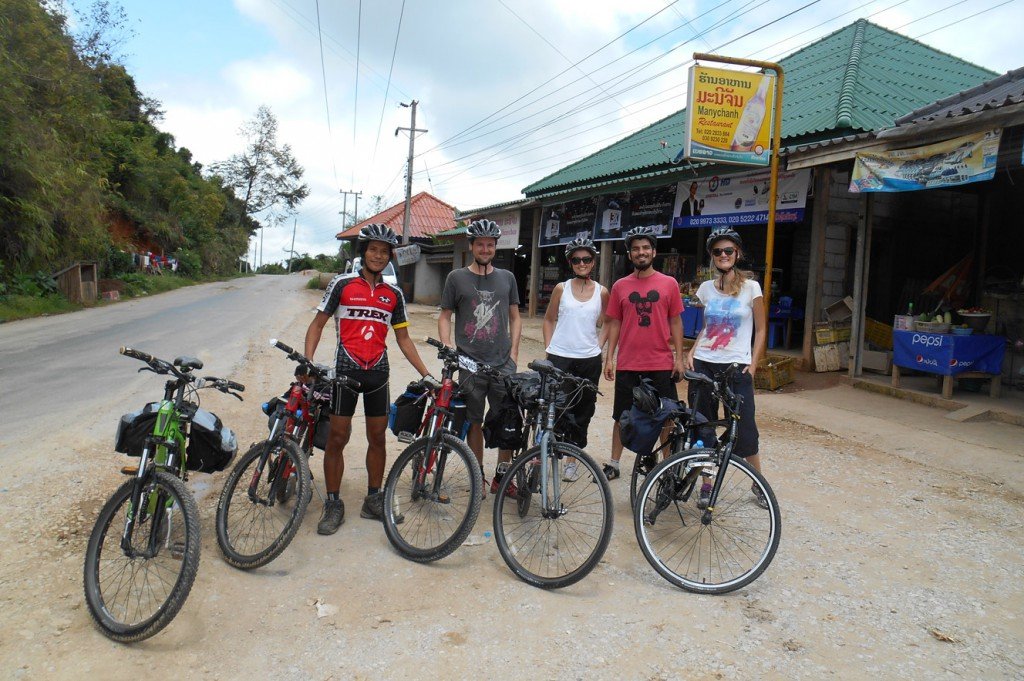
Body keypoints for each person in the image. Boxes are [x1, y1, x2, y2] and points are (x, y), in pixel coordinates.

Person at [305, 224, 431, 535]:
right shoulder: (342, 284)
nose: (378, 255)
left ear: (390, 257)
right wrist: (308, 362)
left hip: (378, 373)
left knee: (377, 438)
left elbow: (403, 339)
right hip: (345, 373)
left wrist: (425, 374)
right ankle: (333, 503)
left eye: (384, 251)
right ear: (364, 253)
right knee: (337, 438)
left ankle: (373, 499)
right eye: (373, 249)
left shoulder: (394, 294)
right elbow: (317, 324)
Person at [683, 226, 768, 509]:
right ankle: (707, 485)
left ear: (737, 253)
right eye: (717, 251)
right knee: (703, 426)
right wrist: (692, 351)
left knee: (744, 429)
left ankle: (758, 483)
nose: (723, 255)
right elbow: (707, 327)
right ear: (712, 256)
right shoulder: (705, 289)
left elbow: (762, 328)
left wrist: (753, 364)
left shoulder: (751, 287)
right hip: (705, 363)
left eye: (728, 250)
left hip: (737, 367)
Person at [438, 219, 522, 494]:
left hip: (502, 362)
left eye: (490, 245)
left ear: (495, 247)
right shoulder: (456, 278)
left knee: (506, 419)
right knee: (473, 420)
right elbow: (445, 316)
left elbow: (515, 317)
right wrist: (448, 345)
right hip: (469, 362)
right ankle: (478, 476)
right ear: (471, 246)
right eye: (480, 244)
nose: (485, 249)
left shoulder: (507, 278)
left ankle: (502, 476)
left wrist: (514, 353)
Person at [603, 226, 685, 480]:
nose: (641, 252)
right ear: (630, 255)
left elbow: (675, 322)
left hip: (660, 362)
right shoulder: (619, 286)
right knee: (622, 416)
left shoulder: (669, 284)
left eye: (646, 248)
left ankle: (667, 464)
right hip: (629, 363)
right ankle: (614, 462)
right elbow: (614, 322)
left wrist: (679, 358)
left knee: (666, 416)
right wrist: (610, 357)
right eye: (636, 249)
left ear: (654, 251)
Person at [543, 237, 608, 481]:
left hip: (588, 360)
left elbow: (610, 322)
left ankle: (573, 458)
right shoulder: (562, 288)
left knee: (583, 410)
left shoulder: (602, 292)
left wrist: (600, 345)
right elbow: (549, 318)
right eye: (577, 260)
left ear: (593, 262)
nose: (582, 263)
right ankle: (549, 454)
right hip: (560, 357)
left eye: (586, 259)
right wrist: (549, 347)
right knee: (556, 406)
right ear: (570, 262)